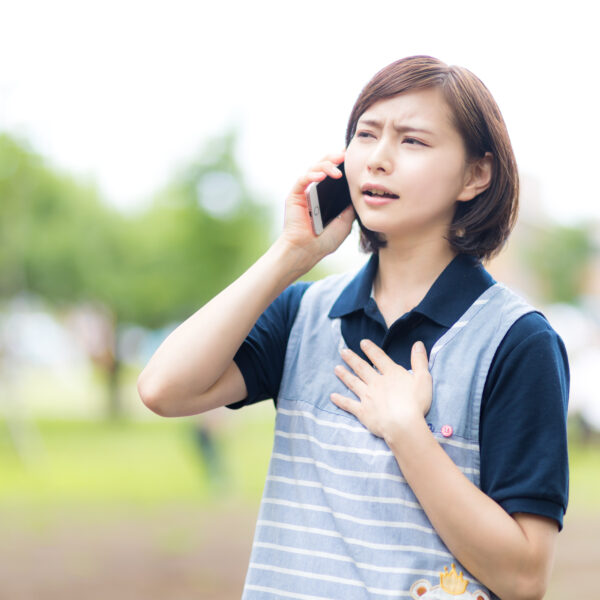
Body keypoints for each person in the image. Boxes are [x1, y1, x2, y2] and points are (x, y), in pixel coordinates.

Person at [138, 56, 569, 600]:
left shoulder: (517, 341)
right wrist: (292, 253)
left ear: (475, 175)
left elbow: (525, 577)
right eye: (366, 134)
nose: (378, 159)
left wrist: (408, 433)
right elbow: (163, 389)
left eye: (412, 141)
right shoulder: (303, 313)